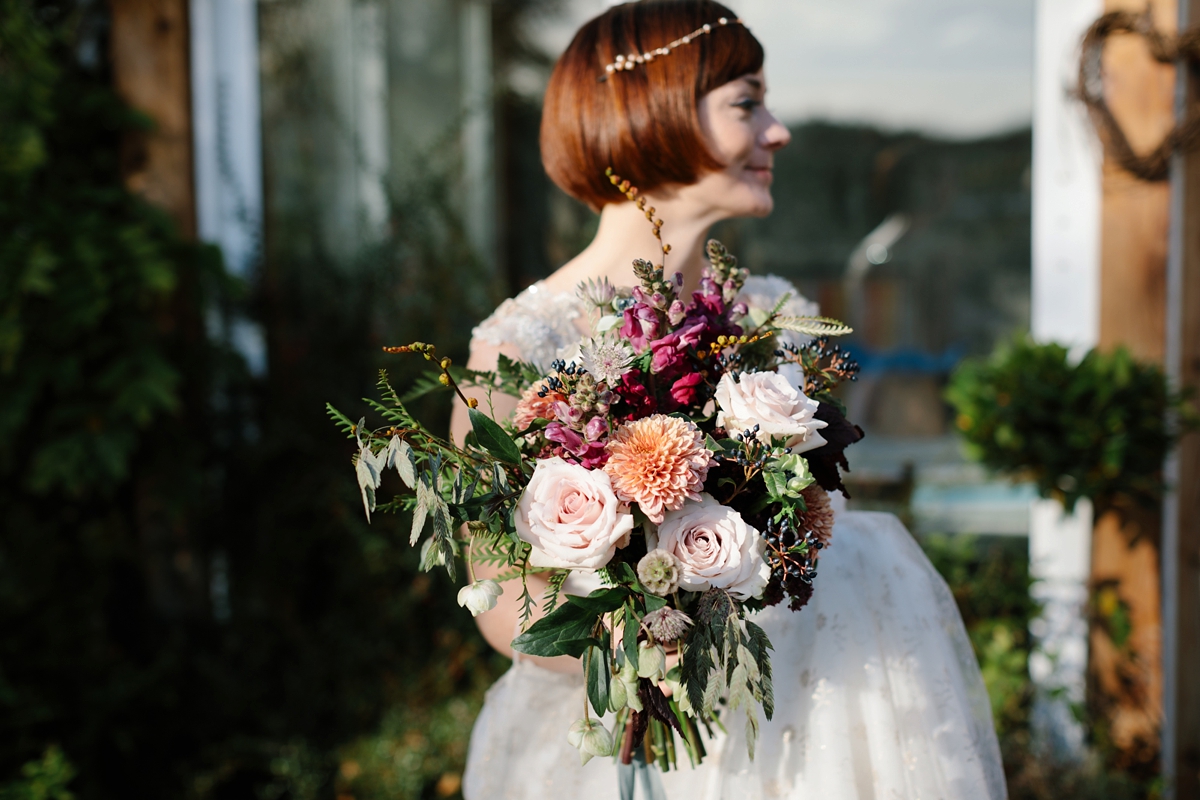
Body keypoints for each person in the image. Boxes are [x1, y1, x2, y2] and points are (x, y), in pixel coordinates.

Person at [450, 2, 1007, 797]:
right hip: (626, 735)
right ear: (653, 114)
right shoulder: (518, 347)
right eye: (748, 103)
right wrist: (650, 637)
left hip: (818, 698)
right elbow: (503, 601)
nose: (778, 131)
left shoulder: (773, 316)